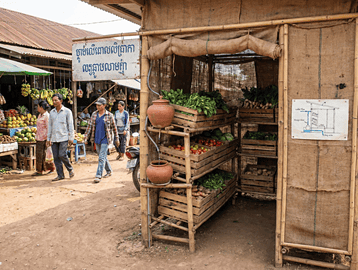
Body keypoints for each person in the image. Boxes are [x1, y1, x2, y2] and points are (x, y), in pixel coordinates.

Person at [84, 97, 120, 183]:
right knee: (102, 156)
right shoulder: (94, 114)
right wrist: (86, 137)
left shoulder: (109, 115)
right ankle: (109, 170)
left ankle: (98, 175)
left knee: (101, 158)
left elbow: (114, 128)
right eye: (97, 105)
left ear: (104, 106)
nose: (97, 106)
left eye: (99, 105)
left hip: (105, 139)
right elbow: (89, 127)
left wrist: (117, 139)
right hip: (96, 139)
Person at [46, 93, 75, 181]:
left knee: (62, 155)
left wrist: (71, 137)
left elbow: (70, 125)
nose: (54, 102)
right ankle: (60, 175)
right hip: (54, 138)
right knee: (56, 157)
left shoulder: (67, 111)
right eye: (53, 100)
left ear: (61, 101)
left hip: (64, 137)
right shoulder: (52, 112)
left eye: (56, 100)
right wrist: (48, 138)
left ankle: (70, 169)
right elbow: (50, 126)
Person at [33, 100, 55, 176]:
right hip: (39, 137)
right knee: (39, 155)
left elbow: (49, 128)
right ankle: (39, 170)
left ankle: (51, 168)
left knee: (46, 154)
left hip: (45, 138)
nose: (37, 108)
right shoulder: (39, 115)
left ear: (41, 107)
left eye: (38, 107)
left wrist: (49, 139)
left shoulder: (47, 116)